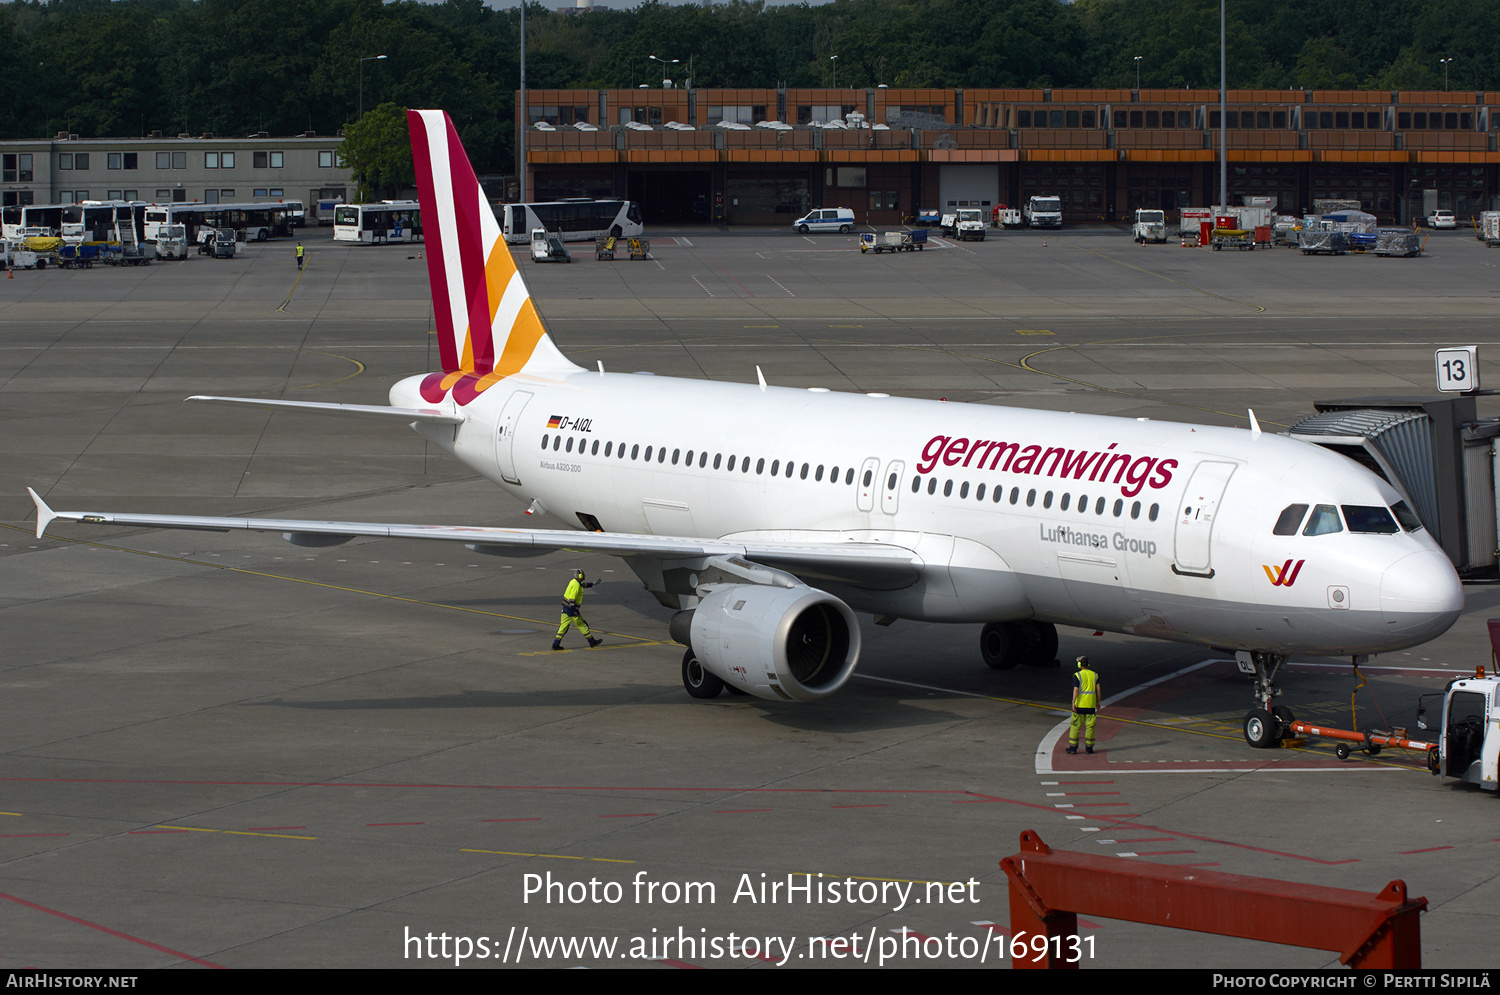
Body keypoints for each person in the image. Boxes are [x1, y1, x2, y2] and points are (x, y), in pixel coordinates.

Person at [553, 569, 602, 650]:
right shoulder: (576, 585)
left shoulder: (573, 581)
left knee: (563, 627)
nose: (584, 575)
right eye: (583, 574)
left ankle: (555, 644)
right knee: (582, 625)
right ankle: (592, 642)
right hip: (570, 609)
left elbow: (582, 585)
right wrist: (574, 611)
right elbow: (572, 598)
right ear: (580, 576)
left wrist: (592, 584)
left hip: (565, 608)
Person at [1067, 655, 1101, 755]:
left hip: (1079, 705)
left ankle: (1073, 748)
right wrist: (1098, 702)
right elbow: (1098, 689)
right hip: (1091, 705)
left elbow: (1076, 689)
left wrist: (1073, 702)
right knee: (1090, 726)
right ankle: (1089, 748)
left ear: (1079, 664)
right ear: (1088, 664)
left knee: (1075, 726)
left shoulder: (1077, 675)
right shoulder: (1095, 675)